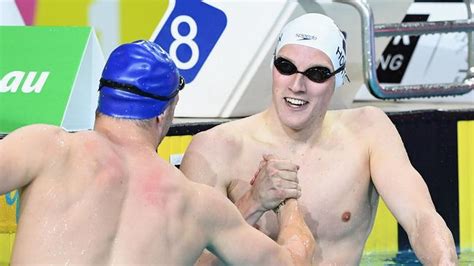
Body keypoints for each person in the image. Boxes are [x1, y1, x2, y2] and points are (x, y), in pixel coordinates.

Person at [0, 40, 315, 265]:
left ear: (101, 97)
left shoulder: (45, 147)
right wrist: (288, 203)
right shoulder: (198, 205)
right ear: (164, 114)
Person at [180, 13, 458, 265]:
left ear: (337, 79)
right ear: (273, 67)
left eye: (316, 73)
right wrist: (253, 203)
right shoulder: (216, 149)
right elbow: (193, 262)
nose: (297, 85)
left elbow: (422, 220)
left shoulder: (368, 132)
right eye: (286, 66)